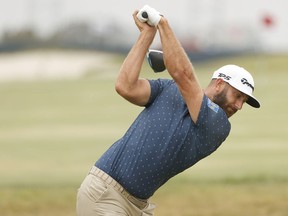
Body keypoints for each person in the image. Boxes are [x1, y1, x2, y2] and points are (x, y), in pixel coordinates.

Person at [76, 5, 260, 216]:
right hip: (105, 194)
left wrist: (162, 23)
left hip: (138, 205)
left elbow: (184, 75)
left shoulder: (218, 125)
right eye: (237, 96)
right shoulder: (169, 88)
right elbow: (126, 86)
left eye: (244, 101)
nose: (239, 106)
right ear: (219, 84)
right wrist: (147, 34)